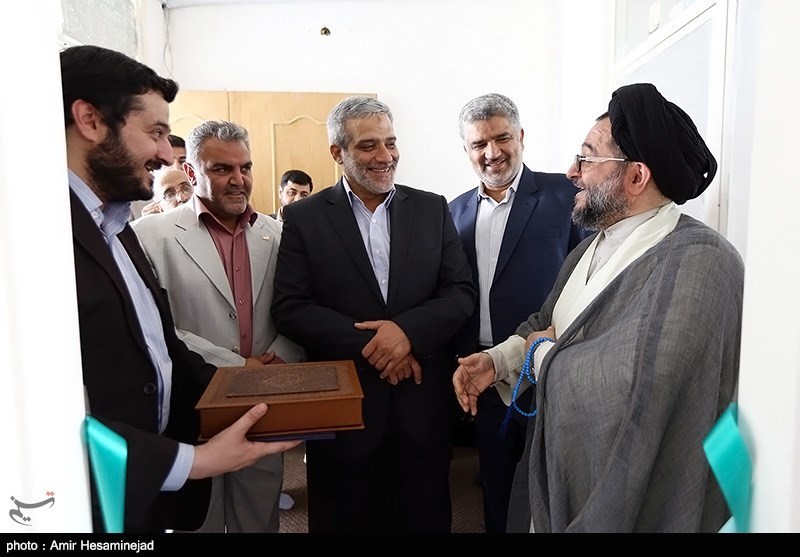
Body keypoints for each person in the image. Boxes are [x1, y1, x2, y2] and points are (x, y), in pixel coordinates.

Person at [453, 83, 744, 533]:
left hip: (630, 486)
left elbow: (640, 383)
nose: (572, 172)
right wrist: (499, 360)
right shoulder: (591, 246)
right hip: (567, 459)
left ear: (636, 176)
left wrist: (540, 355)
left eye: (587, 159)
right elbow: (548, 322)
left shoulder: (701, 259)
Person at [61, 44, 299, 533]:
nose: (165, 154)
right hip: (117, 470)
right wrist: (194, 453)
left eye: (245, 167)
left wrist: (268, 378)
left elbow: (156, 341)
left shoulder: (114, 229)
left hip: (203, 423)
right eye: (155, 133)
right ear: (89, 120)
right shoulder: (70, 238)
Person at [271, 96, 477, 532]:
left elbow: (460, 292)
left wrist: (407, 333)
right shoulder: (304, 218)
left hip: (421, 403)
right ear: (338, 152)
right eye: (368, 146)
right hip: (344, 406)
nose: (385, 156)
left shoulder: (432, 208)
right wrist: (379, 344)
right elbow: (291, 308)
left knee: (423, 518)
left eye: (391, 142)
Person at [132, 120, 305, 532]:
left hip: (265, 398)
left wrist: (276, 362)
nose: (238, 179)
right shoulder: (148, 235)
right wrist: (237, 367)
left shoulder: (280, 234)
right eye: (222, 169)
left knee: (259, 515)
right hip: (191, 400)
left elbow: (298, 307)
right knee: (198, 519)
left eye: (245, 168)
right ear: (192, 172)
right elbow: (152, 324)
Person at [448, 93, 587, 533]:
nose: (492, 152)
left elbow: (591, 277)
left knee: (553, 489)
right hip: (485, 371)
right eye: (479, 144)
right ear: (467, 150)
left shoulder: (566, 195)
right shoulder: (454, 212)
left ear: (520, 136)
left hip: (552, 367)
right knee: (498, 484)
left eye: (502, 138)